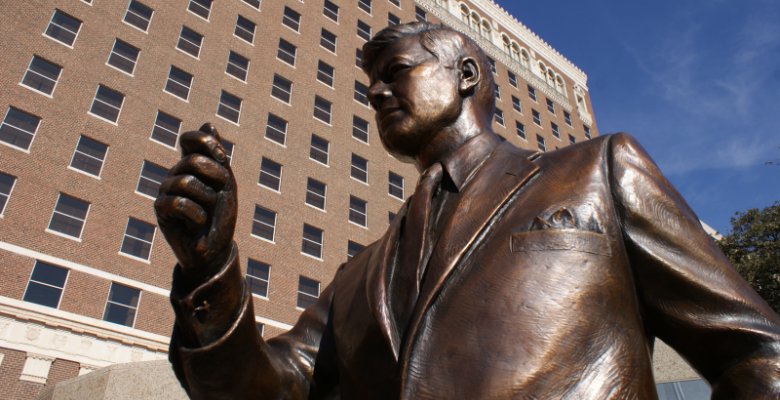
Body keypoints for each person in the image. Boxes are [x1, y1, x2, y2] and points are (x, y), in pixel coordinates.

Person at [155, 22, 780, 399]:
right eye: (370, 84)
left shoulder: (596, 171)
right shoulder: (357, 276)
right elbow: (270, 390)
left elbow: (757, 355)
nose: (375, 92)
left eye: (395, 71)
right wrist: (210, 268)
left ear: (466, 75)